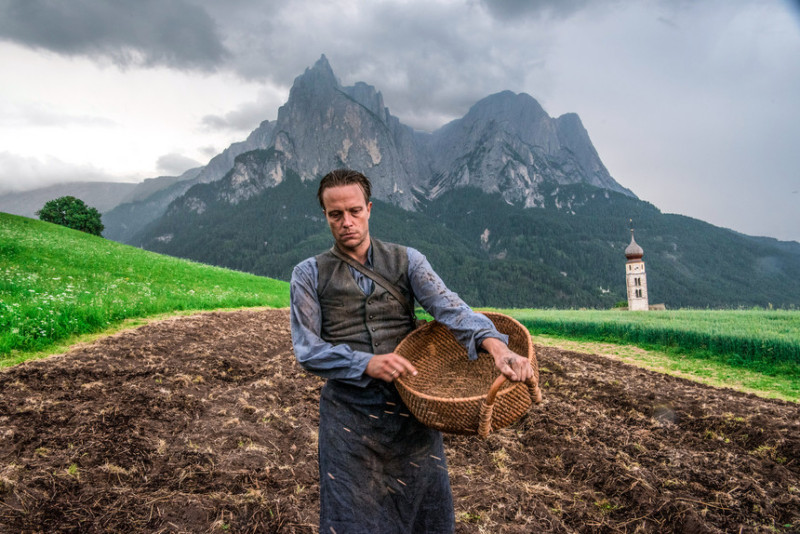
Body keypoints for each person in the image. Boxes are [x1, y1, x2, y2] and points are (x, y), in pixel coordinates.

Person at [290, 168, 533, 533]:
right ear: (325, 216)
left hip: (411, 414)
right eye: (335, 214)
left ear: (369, 209)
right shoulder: (308, 274)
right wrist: (366, 363)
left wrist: (497, 348)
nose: (347, 222)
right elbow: (307, 349)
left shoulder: (408, 261)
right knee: (352, 522)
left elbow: (451, 308)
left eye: (354, 211)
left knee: (425, 517)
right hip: (348, 422)